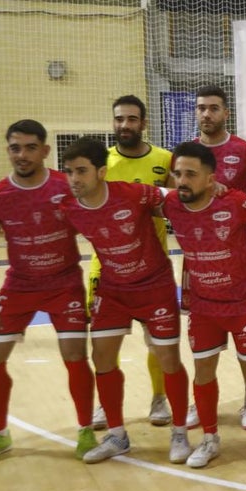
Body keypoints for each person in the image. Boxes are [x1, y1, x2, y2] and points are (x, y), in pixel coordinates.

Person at [60, 137, 192, 464]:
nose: (74, 179)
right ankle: (117, 435)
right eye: (69, 172)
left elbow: (177, 197)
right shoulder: (68, 206)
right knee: (101, 357)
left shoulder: (133, 194)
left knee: (168, 359)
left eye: (81, 171)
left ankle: (179, 431)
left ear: (101, 172)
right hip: (113, 290)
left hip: (154, 286)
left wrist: (210, 193)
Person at [0, 120, 94, 464]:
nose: (21, 155)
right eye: (14, 148)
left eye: (29, 148)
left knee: (74, 353)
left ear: (45, 150)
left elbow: (96, 224)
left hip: (64, 283)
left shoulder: (65, 186)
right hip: (20, 285)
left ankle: (85, 429)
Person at [162, 142, 246, 468]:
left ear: (210, 178)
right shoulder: (171, 203)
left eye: (191, 174)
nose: (182, 180)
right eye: (178, 174)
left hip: (244, 302)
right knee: (203, 371)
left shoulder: (234, 202)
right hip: (203, 306)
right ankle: (210, 439)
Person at [87, 96, 179, 430]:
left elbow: (178, 204)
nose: (124, 125)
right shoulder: (102, 163)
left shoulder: (164, 159)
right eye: (119, 119)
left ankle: (160, 398)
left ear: (143, 123)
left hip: (154, 269)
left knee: (158, 342)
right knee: (103, 343)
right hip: (107, 268)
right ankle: (104, 404)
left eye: (131, 119)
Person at [193, 84, 246, 432]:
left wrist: (243, 202)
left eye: (213, 108)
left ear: (225, 112)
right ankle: (202, 402)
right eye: (201, 108)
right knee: (202, 341)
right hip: (199, 262)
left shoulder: (244, 151)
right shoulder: (185, 154)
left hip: (238, 258)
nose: (207, 114)